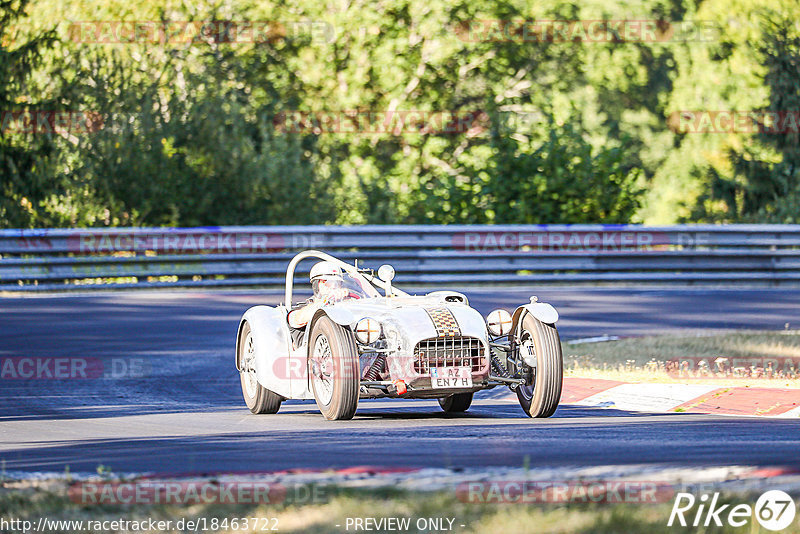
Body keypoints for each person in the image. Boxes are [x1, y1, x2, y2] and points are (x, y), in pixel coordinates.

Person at [287, 261, 355, 329]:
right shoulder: (303, 308)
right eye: (326, 282)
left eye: (337, 282)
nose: (333, 286)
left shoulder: (344, 307)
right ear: (316, 285)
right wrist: (325, 301)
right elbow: (296, 319)